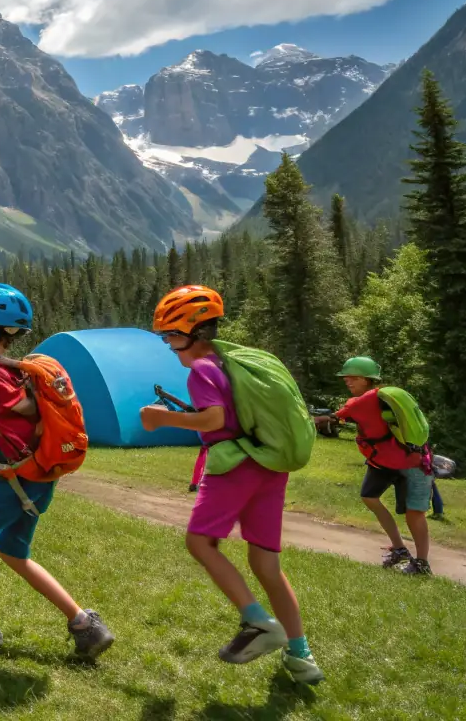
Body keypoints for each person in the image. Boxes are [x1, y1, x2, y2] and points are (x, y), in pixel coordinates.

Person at [139, 286, 323, 686]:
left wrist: (159, 418)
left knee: (200, 542)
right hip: (269, 465)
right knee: (266, 564)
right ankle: (301, 656)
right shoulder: (233, 362)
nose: (169, 345)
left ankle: (258, 623)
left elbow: (213, 421)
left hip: (234, 467)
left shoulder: (202, 370)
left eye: (170, 335)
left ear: (191, 331)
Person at [0, 284, 114, 658]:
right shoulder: (17, 371)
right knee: (13, 552)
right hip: (41, 478)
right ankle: (85, 625)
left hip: (14, 481)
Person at [322, 357, 433, 576]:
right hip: (398, 460)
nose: (348, 381)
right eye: (346, 378)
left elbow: (333, 418)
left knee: (414, 514)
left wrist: (306, 420)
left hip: (408, 463)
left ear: (368, 380)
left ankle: (421, 564)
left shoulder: (362, 401)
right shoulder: (381, 398)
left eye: (354, 378)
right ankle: (401, 549)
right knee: (370, 497)